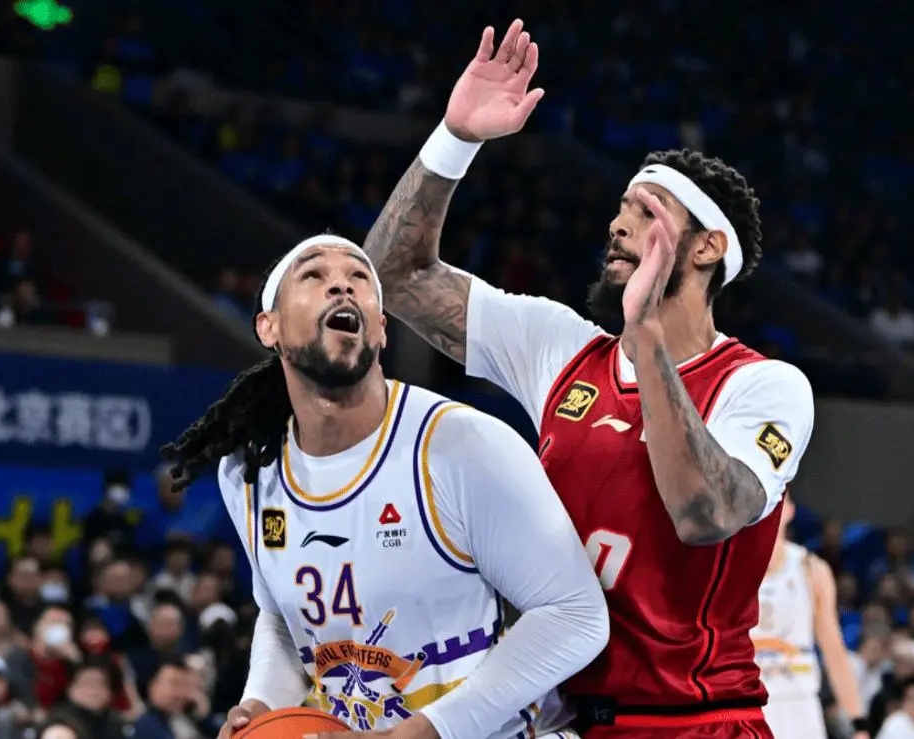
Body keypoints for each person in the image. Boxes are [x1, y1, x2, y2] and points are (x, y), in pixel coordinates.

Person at [360, 17, 814, 738]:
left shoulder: (764, 386)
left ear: (707, 247)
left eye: (646, 211)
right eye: (620, 207)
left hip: (693, 722)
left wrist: (647, 334)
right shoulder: (558, 346)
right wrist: (454, 139)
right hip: (560, 718)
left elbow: (705, 515)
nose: (617, 224)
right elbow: (390, 276)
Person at [161, 234, 608, 739]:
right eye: (314, 274)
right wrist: (260, 704)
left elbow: (576, 615)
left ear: (381, 328)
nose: (341, 286)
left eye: (359, 277)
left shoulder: (462, 445)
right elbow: (284, 619)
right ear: (270, 327)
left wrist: (430, 729)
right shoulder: (249, 470)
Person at [751, 495, 868, 739]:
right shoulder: (726, 566)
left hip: (799, 701)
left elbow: (833, 649)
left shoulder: (810, 567)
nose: (769, 509)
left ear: (790, 510)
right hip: (746, 700)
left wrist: (858, 723)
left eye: (777, 500)